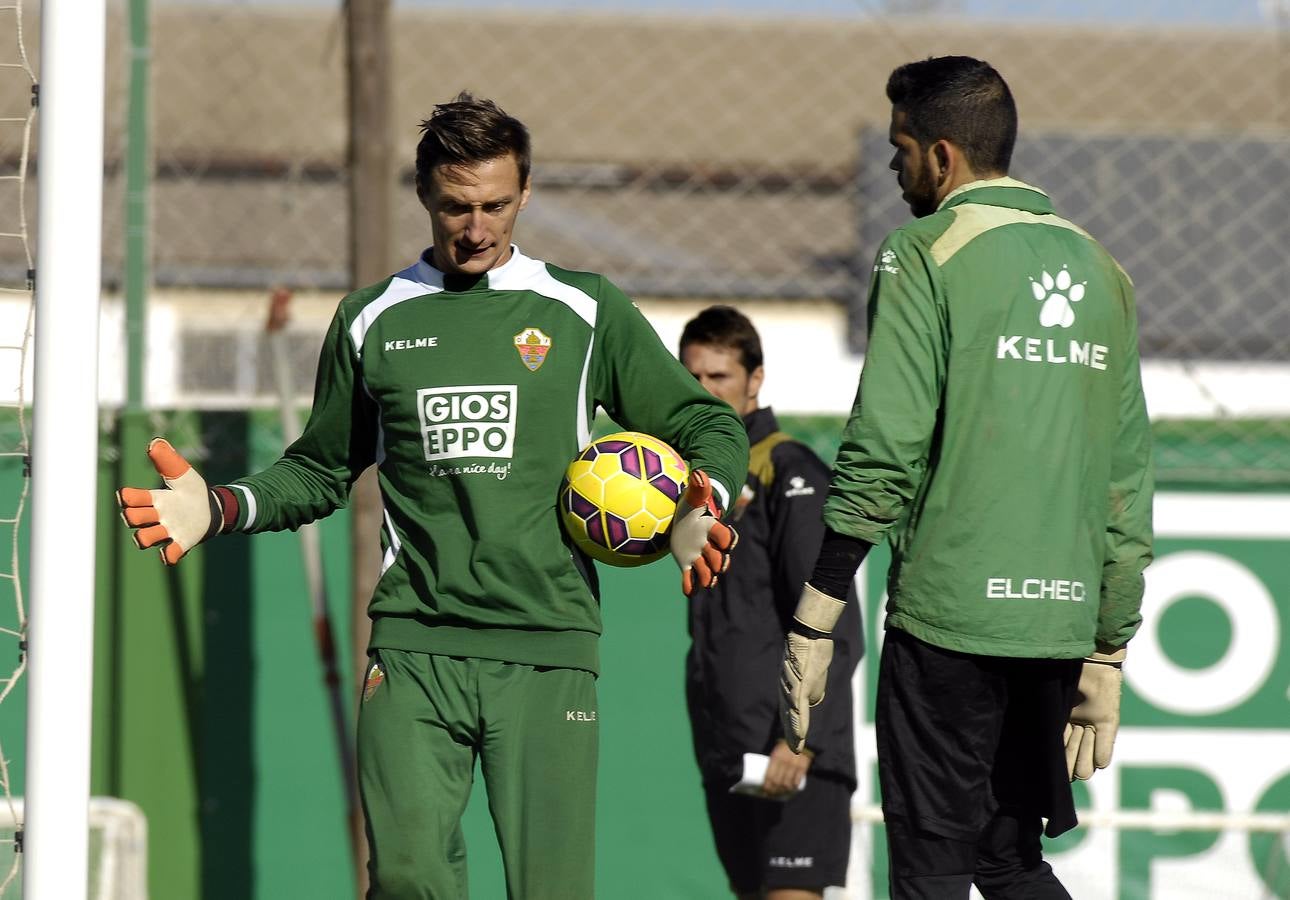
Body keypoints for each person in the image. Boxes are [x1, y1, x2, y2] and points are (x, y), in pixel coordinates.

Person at [117, 92, 749, 900]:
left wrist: (702, 504)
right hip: (415, 647)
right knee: (409, 878)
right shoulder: (370, 319)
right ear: (424, 196)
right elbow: (319, 469)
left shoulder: (583, 310)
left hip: (546, 648)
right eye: (456, 206)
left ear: (524, 194)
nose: (476, 227)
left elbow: (703, 422)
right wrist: (222, 506)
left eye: (494, 205)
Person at [777, 56, 1153, 899]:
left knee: (933, 870)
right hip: (1057, 628)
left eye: (898, 147)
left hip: (951, 622)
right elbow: (1126, 476)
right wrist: (1110, 645)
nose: (892, 167)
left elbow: (884, 449)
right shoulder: (1102, 270)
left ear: (941, 157)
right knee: (1008, 861)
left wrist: (816, 615)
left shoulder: (923, 252)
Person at [679, 305, 861, 900]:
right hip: (728, 746)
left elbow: (834, 621)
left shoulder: (789, 470)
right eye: (692, 379)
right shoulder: (700, 484)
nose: (703, 392)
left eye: (719, 378)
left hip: (790, 747)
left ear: (755, 380)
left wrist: (799, 740)